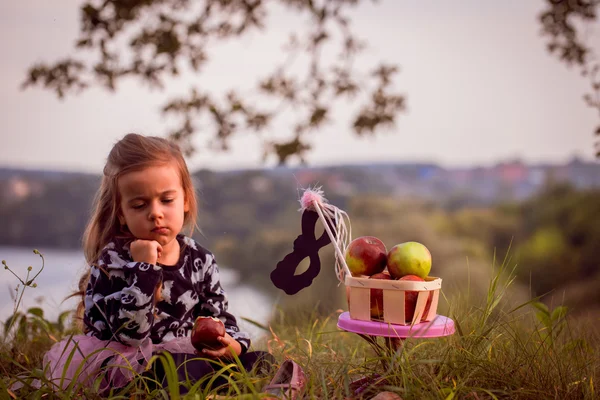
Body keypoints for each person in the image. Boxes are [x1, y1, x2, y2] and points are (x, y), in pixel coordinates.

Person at [43, 133, 274, 395]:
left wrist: (234, 344)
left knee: (260, 361)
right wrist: (145, 270)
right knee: (175, 369)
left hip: (188, 359)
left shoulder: (200, 259)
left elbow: (220, 318)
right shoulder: (113, 260)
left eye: (166, 200)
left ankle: (250, 384)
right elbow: (131, 335)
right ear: (121, 213)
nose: (155, 212)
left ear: (185, 200)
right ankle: (217, 385)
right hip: (130, 369)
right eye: (140, 205)